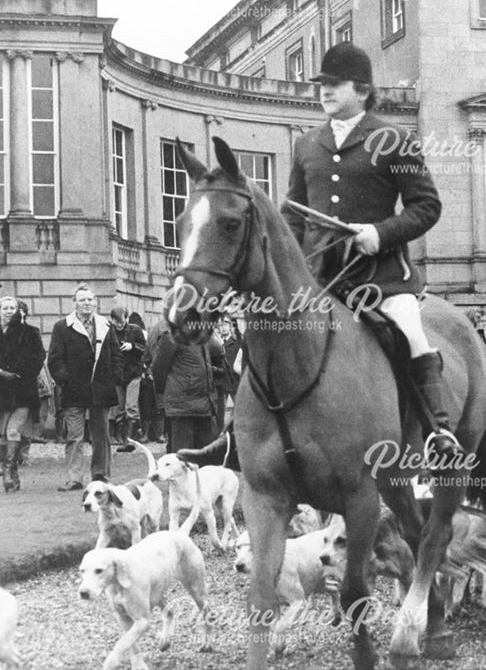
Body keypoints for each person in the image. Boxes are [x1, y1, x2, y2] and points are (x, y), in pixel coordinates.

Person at [181, 42, 460, 469]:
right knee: (257, 344)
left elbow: (427, 207)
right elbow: (291, 215)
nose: (325, 91)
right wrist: (281, 265)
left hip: (379, 276)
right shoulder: (307, 143)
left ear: (363, 89)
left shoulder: (396, 140)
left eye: (335, 84)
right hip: (316, 278)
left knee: (411, 333)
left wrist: (379, 233)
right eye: (322, 85)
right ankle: (237, 438)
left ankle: (437, 429)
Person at [47, 284, 122, 491]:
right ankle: (75, 478)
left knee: (102, 435)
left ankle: (101, 475)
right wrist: (65, 380)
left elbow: (116, 355)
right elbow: (55, 359)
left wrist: (114, 377)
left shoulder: (106, 325)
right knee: (75, 436)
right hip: (74, 390)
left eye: (90, 299)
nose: (87, 303)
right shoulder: (62, 326)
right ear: (75, 303)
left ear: (95, 302)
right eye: (82, 300)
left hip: (101, 389)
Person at [148, 316, 219, 453]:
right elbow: (158, 368)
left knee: (204, 459)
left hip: (204, 405)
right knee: (181, 459)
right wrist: (170, 391)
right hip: (182, 406)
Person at [0, 296, 45, 492]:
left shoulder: (30, 333)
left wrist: (17, 373)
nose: (9, 311)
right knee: (2, 434)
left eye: (13, 307)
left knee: (12, 430)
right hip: (1, 390)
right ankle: (13, 471)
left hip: (22, 390)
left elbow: (37, 358)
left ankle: (8, 471)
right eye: (5, 308)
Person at [109, 307, 146, 449]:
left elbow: (144, 347)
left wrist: (133, 346)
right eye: (117, 322)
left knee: (131, 405)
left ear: (127, 318)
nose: (119, 325)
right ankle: (119, 436)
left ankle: (128, 439)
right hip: (117, 374)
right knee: (119, 407)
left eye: (122, 321)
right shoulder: (108, 331)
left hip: (133, 373)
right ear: (112, 320)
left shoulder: (135, 330)